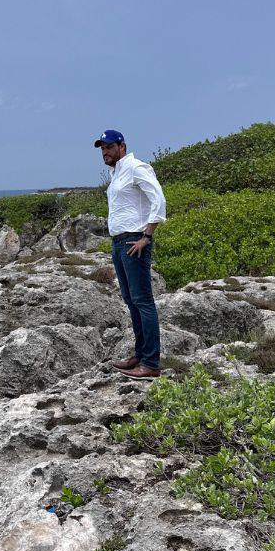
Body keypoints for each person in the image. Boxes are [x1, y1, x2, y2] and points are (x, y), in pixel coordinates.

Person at [95, 129, 167, 379]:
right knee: (131, 300)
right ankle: (140, 355)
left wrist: (147, 236)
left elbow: (158, 199)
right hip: (119, 243)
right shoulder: (116, 173)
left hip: (134, 240)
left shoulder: (137, 168)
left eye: (109, 147)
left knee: (143, 300)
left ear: (122, 146)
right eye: (102, 148)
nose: (105, 152)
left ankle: (151, 363)